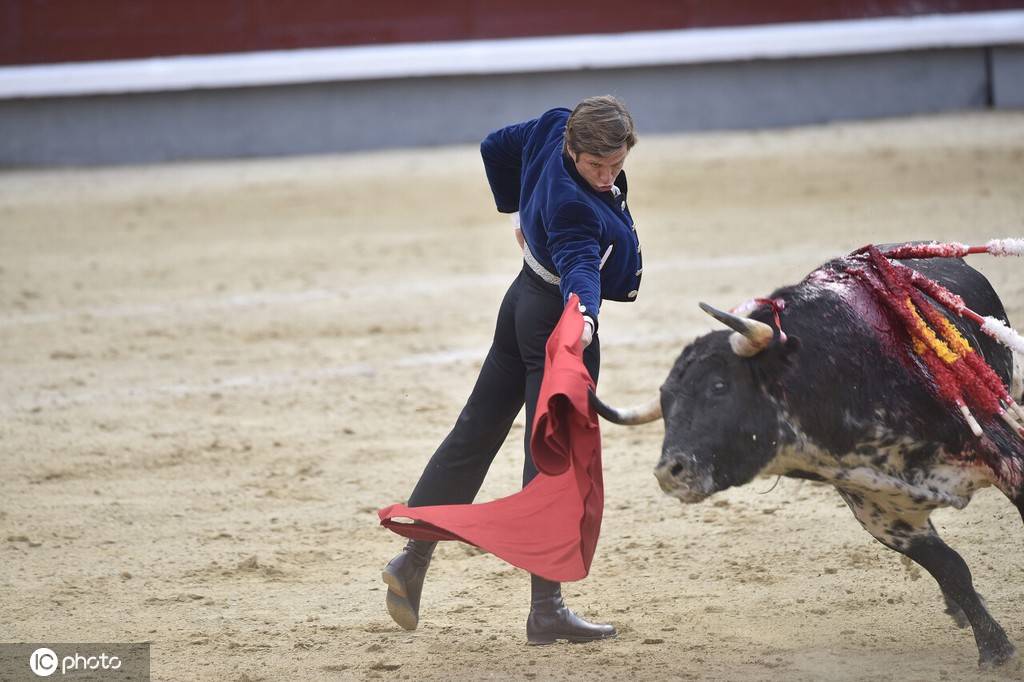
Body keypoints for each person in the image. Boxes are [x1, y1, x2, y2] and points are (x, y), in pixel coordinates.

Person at [381, 95, 642, 644]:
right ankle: (546, 609)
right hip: (555, 323)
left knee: (477, 430)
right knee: (550, 460)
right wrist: (585, 320)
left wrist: (519, 212)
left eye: (616, 165)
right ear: (573, 148)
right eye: (595, 165)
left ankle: (413, 559)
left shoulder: (552, 125)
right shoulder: (575, 204)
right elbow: (579, 267)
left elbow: (494, 147)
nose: (605, 176)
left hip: (521, 299)